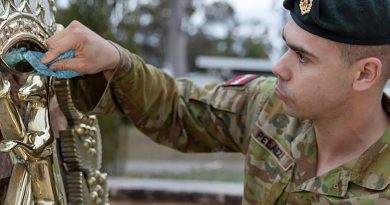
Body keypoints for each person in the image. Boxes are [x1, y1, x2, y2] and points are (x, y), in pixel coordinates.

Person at [42, 0, 390, 204]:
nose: (278, 67)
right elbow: (178, 109)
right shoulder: (269, 107)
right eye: (287, 46)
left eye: (302, 58)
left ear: (364, 74)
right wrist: (117, 60)